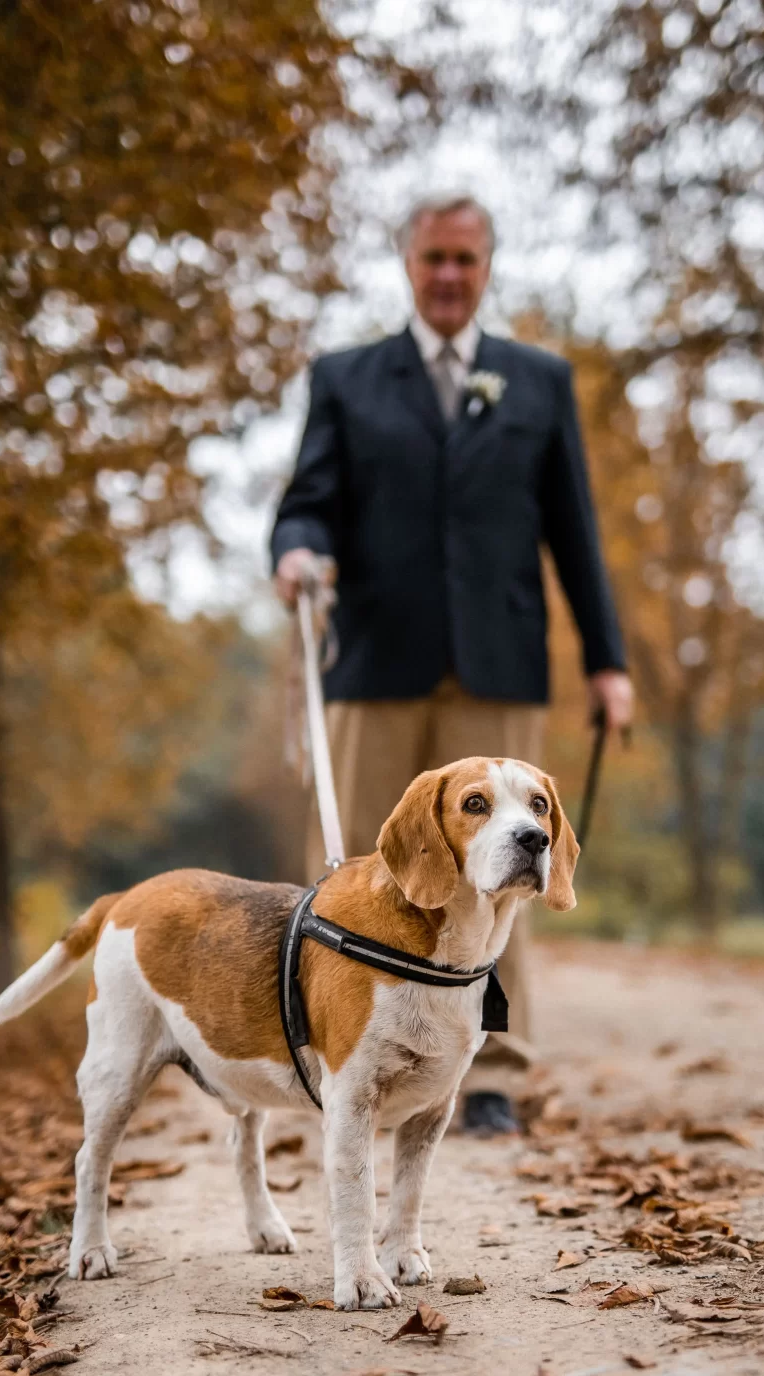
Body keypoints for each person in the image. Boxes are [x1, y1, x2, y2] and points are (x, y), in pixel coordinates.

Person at [270, 191, 632, 1063]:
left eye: (465, 260)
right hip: (372, 661)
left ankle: (497, 1065)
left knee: (509, 863)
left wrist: (607, 661)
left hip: (497, 660)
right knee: (363, 868)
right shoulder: (345, 378)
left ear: (487, 267)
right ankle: (350, 1055)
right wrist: (298, 554)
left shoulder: (538, 380)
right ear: (408, 263)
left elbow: (573, 528)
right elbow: (306, 505)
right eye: (434, 258)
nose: (448, 276)